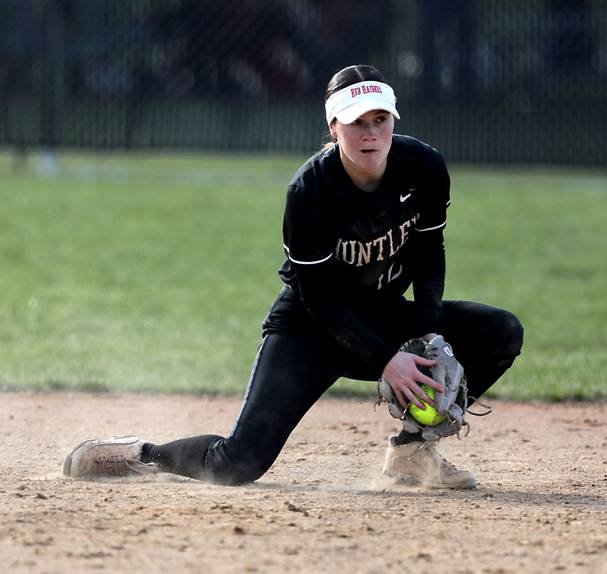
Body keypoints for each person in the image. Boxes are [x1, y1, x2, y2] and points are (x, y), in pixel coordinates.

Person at [63, 65, 524, 489]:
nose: (370, 133)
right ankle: (138, 454)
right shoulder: (310, 191)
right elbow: (317, 298)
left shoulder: (423, 168)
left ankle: (412, 453)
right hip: (310, 329)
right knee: (237, 463)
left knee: (500, 332)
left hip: (384, 318)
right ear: (333, 126)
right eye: (357, 122)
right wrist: (387, 359)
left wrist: (426, 334)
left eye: (380, 119)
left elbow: (428, 255)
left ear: (394, 121)